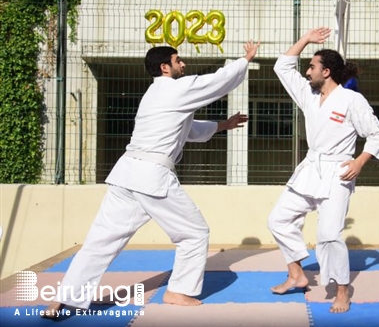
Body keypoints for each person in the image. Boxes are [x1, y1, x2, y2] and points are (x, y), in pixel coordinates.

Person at [43, 41, 260, 318]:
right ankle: (178, 291)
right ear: (165, 67)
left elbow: (186, 129)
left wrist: (222, 125)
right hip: (151, 176)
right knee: (194, 233)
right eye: (178, 60)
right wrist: (245, 60)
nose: (184, 64)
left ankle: (63, 299)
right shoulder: (176, 88)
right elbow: (216, 83)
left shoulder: (154, 94)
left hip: (126, 175)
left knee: (100, 241)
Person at [267, 27, 379, 313]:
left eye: (312, 66)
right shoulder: (309, 96)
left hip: (338, 172)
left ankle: (342, 291)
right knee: (278, 219)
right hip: (310, 168)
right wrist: (306, 39)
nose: (307, 72)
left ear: (328, 71)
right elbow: (282, 66)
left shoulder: (351, 100)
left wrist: (359, 162)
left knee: (330, 235)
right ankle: (296, 273)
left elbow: (377, 135)